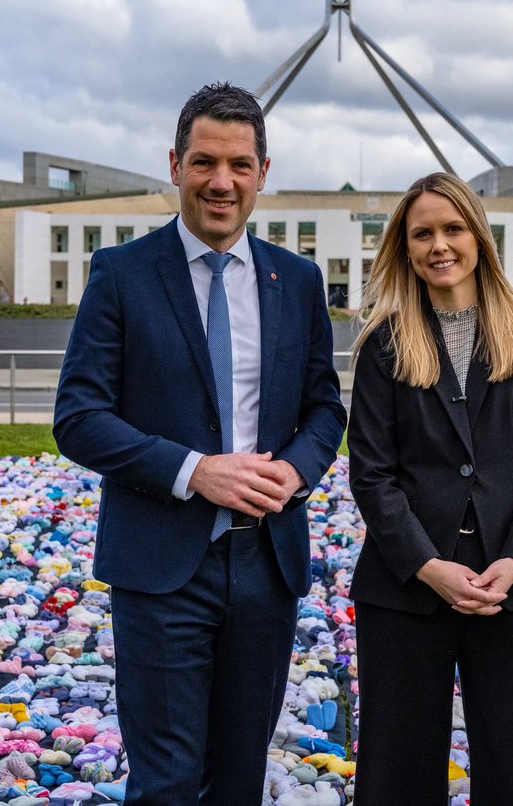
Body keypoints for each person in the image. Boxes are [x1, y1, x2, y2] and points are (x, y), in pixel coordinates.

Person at [54, 82, 346, 805]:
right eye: (206, 162)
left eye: (240, 165)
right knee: (167, 782)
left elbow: (324, 410)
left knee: (239, 776)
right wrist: (193, 472)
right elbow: (79, 416)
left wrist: (295, 472)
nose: (223, 182)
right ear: (176, 164)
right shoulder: (121, 275)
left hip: (265, 564)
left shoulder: (299, 281)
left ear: (263, 173)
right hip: (160, 568)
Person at [347, 172, 513, 805]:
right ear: (404, 247)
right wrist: (427, 566)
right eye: (423, 233)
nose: (439, 245)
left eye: (453, 229)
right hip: (406, 590)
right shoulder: (383, 345)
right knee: (397, 773)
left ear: (479, 236)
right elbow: (372, 475)